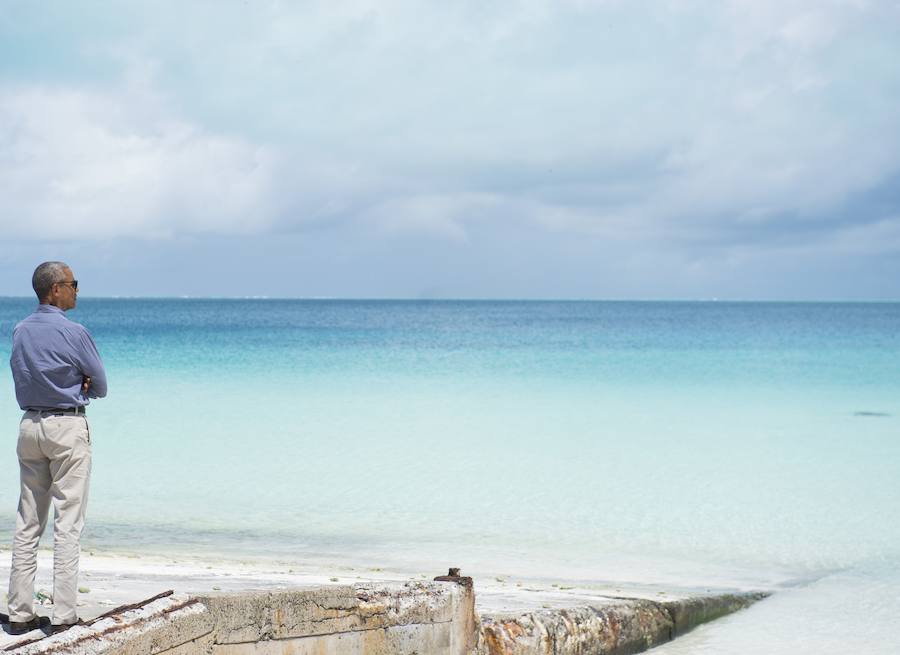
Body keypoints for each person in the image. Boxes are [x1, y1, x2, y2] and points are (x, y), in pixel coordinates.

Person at [6, 262, 107, 635]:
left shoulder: (19, 330)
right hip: (66, 426)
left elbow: (23, 374)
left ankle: (19, 613)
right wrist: (80, 387)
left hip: (29, 425)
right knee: (68, 524)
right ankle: (64, 615)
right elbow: (101, 384)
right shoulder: (74, 331)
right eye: (73, 284)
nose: (77, 290)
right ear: (55, 291)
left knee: (28, 521)